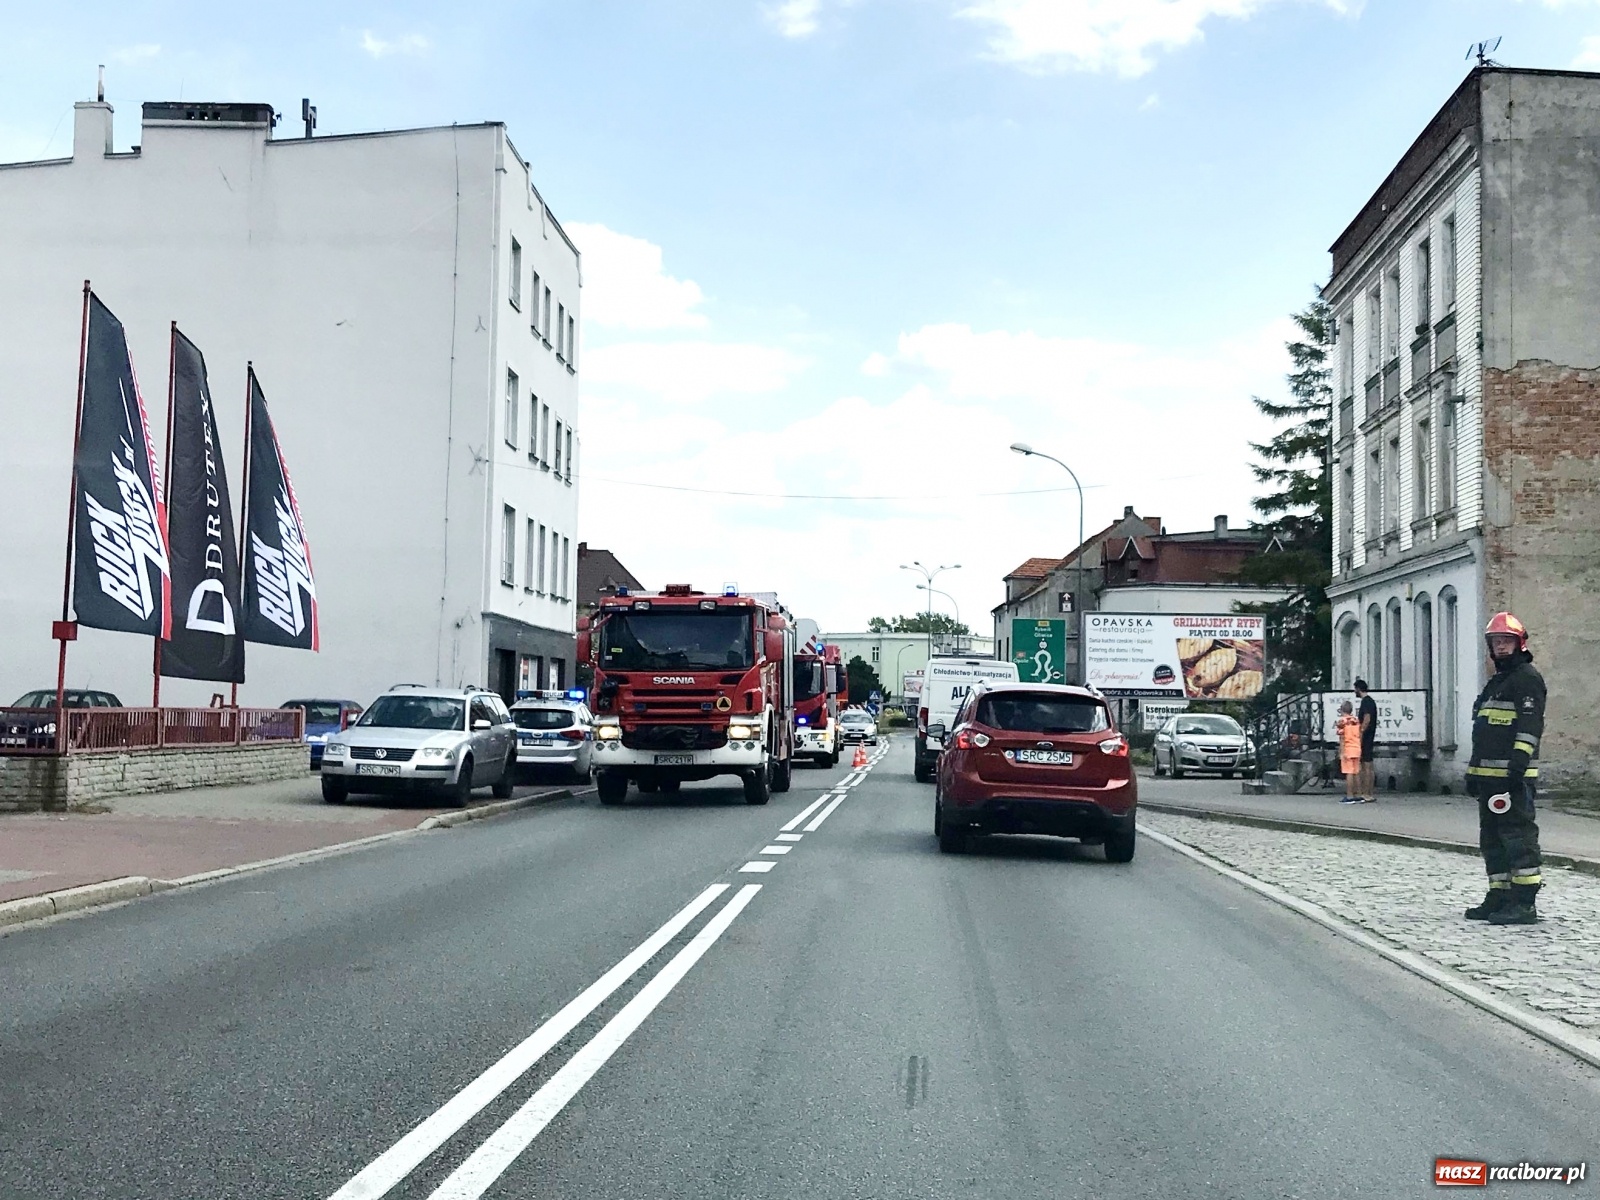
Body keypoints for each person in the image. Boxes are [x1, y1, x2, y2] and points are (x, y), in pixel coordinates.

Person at [1464, 612, 1547, 925]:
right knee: (1492, 839)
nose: (1500, 647)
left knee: (1518, 838)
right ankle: (1499, 894)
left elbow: (1529, 726)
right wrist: (1474, 770)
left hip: (1513, 779)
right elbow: (1484, 733)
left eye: (1506, 641)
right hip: (1489, 779)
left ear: (1519, 643)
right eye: (1496, 641)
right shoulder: (1497, 682)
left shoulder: (1527, 678)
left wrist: (1518, 766)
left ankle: (1524, 902)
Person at [1353, 678, 1378, 803]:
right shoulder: (1369, 701)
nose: (1354, 691)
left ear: (1358, 689)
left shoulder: (1366, 702)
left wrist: (1361, 732)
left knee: (1366, 765)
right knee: (1367, 764)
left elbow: (1367, 719)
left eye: (1355, 689)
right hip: (1369, 736)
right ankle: (1367, 792)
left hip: (1366, 737)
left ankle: (1367, 793)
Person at [1334, 700, 1362, 803]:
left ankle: (1350, 796)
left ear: (1342, 710)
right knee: (1356, 772)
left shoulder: (1342, 722)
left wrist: (1341, 751)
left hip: (1348, 749)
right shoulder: (1356, 720)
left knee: (1349, 772)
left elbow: (1342, 737)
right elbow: (1360, 733)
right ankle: (1359, 794)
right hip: (1357, 747)